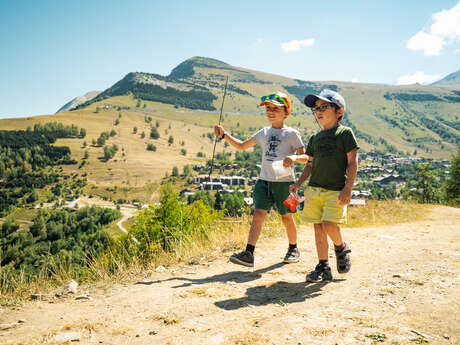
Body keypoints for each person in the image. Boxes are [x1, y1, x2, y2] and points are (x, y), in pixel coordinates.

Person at [214, 92, 305, 267]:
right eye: (268, 109)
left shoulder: (293, 134)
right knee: (258, 215)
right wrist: (224, 135)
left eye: (275, 109)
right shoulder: (263, 132)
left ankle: (293, 248)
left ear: (286, 112)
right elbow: (241, 146)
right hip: (264, 181)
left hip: (285, 184)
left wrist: (294, 159)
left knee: (287, 217)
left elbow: (306, 157)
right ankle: (248, 254)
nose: (270, 112)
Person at [285, 89, 358, 282]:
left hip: (335, 190)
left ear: (339, 111)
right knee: (318, 228)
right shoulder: (315, 139)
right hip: (314, 190)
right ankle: (323, 266)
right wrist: (299, 184)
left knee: (329, 225)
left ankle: (340, 247)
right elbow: (310, 164)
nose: (318, 111)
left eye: (324, 107)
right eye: (316, 109)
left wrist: (348, 188)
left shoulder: (345, 133)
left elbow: (352, 162)